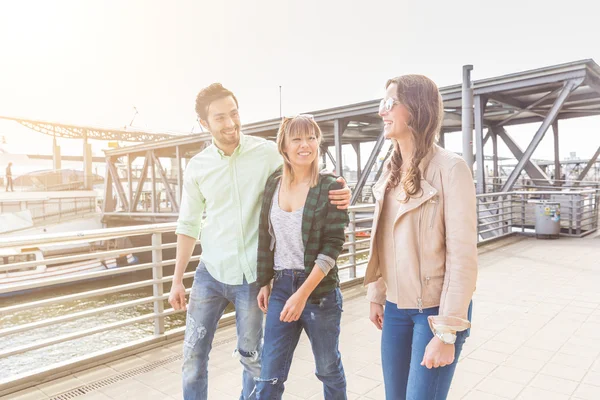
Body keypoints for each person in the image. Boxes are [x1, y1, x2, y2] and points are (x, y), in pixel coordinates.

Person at [168, 83, 351, 400]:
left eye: (234, 114)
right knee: (193, 358)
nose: (230, 123)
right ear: (204, 124)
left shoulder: (266, 153)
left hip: (252, 277)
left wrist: (340, 187)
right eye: (220, 118)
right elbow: (189, 224)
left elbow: (304, 165)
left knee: (253, 358)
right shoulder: (197, 167)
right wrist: (176, 280)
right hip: (210, 271)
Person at [364, 75, 478, 400]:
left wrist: (447, 331)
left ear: (414, 108)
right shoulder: (390, 172)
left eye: (389, 103)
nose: (380, 112)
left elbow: (463, 257)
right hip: (395, 308)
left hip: (435, 311)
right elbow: (386, 240)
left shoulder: (451, 169)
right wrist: (376, 293)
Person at [254, 115, 349, 399]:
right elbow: (265, 236)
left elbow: (333, 245)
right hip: (281, 286)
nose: (304, 145)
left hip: (319, 293)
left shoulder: (331, 186)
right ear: (283, 146)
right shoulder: (273, 185)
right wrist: (264, 282)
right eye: (296, 139)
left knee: (327, 369)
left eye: (311, 137)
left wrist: (302, 294)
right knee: (269, 375)